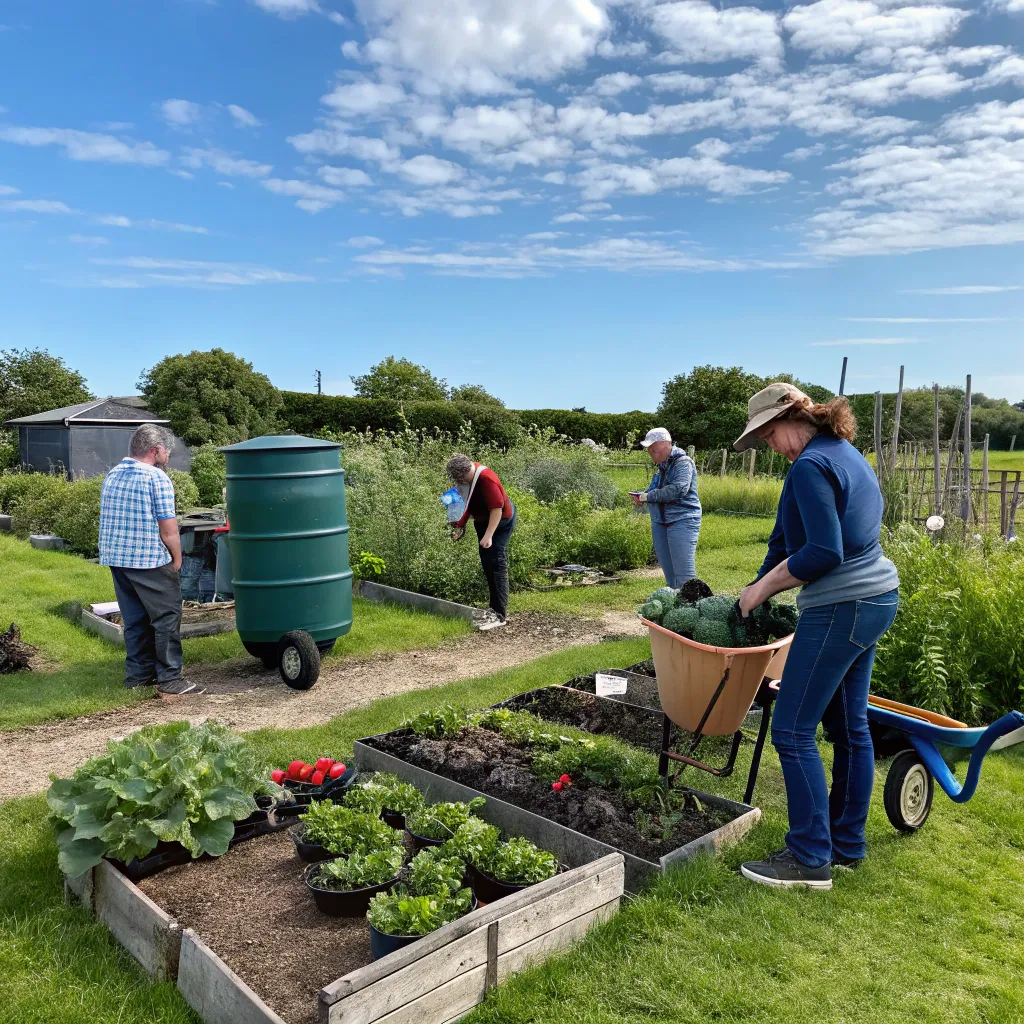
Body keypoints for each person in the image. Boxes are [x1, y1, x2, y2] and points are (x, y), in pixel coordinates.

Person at [732, 383, 899, 891]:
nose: (771, 447)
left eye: (769, 435)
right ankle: (845, 844)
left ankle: (808, 859)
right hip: (877, 597)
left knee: (792, 729)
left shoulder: (810, 465)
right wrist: (754, 587)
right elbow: (786, 542)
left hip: (841, 607)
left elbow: (823, 553)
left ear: (791, 418)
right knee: (851, 729)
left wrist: (762, 590)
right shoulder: (841, 453)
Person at [98, 424, 204, 698]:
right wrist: (177, 559)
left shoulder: (113, 474)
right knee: (167, 617)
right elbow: (168, 530)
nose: (168, 456)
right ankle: (170, 679)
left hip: (117, 559)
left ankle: (138, 676)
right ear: (155, 451)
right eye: (167, 451)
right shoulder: (156, 478)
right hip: (148, 560)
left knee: (135, 619)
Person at [446, 453, 516, 628]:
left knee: (497, 562)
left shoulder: (486, 479)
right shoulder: (470, 479)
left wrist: (489, 535)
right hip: (483, 521)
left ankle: (500, 615)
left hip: (500, 522)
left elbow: (497, 509)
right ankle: (493, 609)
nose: (457, 482)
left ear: (463, 473)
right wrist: (461, 524)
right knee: (487, 563)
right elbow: (471, 503)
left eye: (458, 478)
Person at [631, 427, 701, 587]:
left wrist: (648, 496)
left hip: (682, 520)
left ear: (665, 444)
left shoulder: (683, 463)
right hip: (660, 522)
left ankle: (690, 608)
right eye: (649, 450)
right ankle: (675, 607)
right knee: (670, 575)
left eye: (653, 449)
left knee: (684, 575)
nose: (651, 452)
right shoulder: (661, 469)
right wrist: (642, 496)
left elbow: (678, 489)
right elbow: (654, 491)